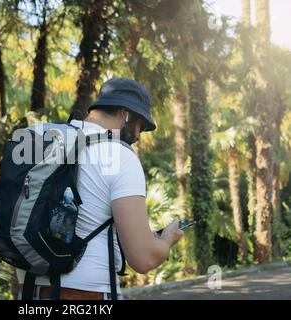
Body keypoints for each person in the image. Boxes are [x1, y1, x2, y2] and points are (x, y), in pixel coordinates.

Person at [16, 77, 183, 300]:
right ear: (126, 114)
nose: (139, 135)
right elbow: (143, 259)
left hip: (30, 293)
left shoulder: (45, 142)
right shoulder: (120, 155)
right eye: (141, 125)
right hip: (86, 295)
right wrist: (166, 240)